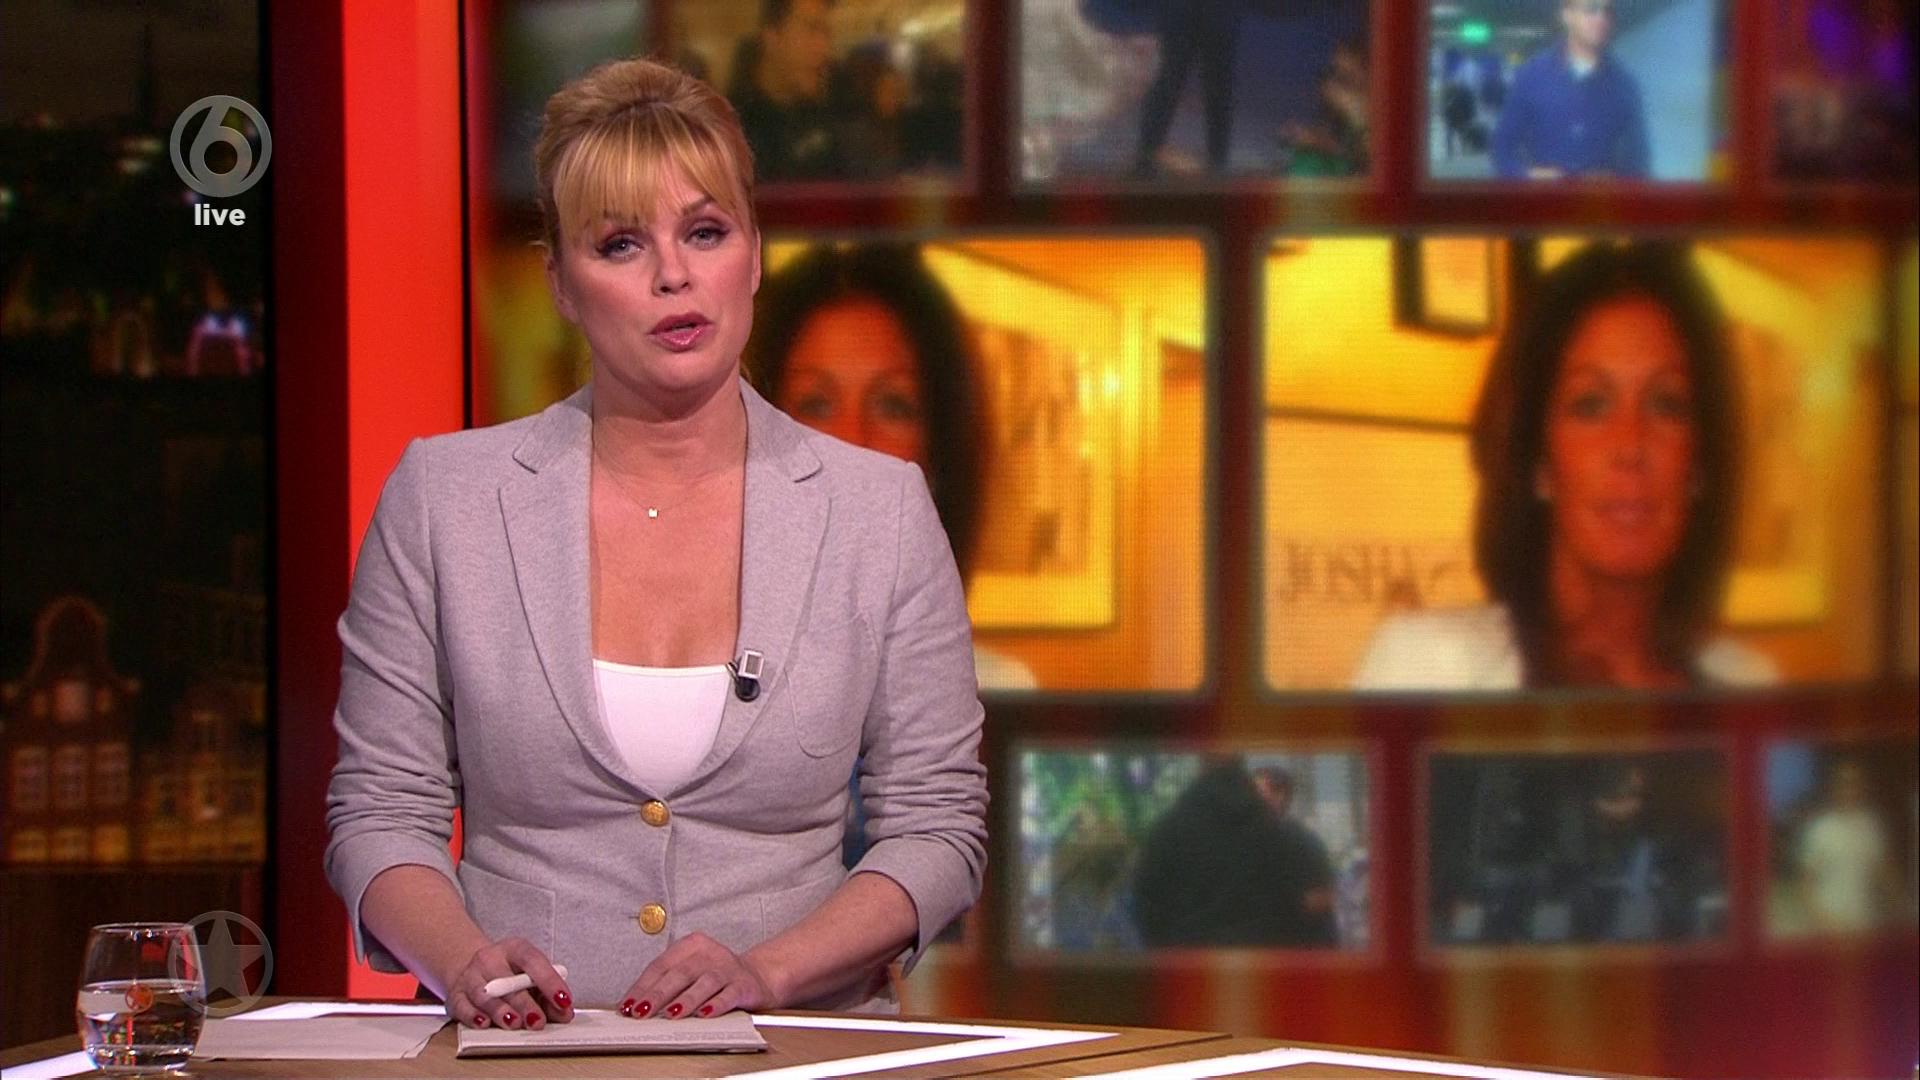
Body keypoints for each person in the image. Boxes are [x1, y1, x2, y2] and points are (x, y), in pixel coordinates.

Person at [324, 58, 988, 1032]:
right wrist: (463, 960)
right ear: (561, 284)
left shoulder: (878, 511)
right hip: (524, 1055)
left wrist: (766, 972)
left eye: (705, 233)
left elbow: (938, 828)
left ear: (753, 257)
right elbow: (380, 811)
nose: (673, 275)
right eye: (621, 243)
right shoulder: (444, 499)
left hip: (793, 1048)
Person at [1352, 242, 1779, 690]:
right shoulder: (1430, 668)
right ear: (1539, 459)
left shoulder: (1750, 683)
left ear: (1700, 462)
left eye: (1666, 404)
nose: (1630, 446)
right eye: (1591, 406)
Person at [749, 242, 1038, 693]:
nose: (852, 439)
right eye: (816, 405)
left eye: (892, 406)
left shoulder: (994, 691)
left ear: (937, 452)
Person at [1131, 760, 1338, 947]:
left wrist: (1279, 907)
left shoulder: (1299, 841)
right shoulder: (1232, 839)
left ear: (1280, 797)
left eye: (1258, 792)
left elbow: (1322, 897)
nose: (1246, 799)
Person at [1491, 0, 1650, 180]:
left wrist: (1614, 181)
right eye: (1591, 9)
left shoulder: (1624, 85)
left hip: (1599, 197)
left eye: (1607, 11)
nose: (1601, 18)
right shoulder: (1530, 76)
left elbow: (1639, 162)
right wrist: (1528, 176)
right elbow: (1502, 149)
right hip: (1542, 196)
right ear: (1567, 15)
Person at [727, 0, 844, 181]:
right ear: (772, 38)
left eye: (826, 33)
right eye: (811, 30)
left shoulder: (824, 115)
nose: (823, 49)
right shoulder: (729, 130)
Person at [1132, 0, 1246, 177]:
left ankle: (1217, 161)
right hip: (1184, 11)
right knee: (1168, 81)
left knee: (1217, 87)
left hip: (1215, 12)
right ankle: (1145, 156)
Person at [1794, 759, 1899, 934]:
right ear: (1834, 788)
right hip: (1830, 922)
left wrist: (1898, 904)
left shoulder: (1872, 825)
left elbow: (1883, 870)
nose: (1850, 789)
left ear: (1862, 787)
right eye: (1844, 784)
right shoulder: (1819, 829)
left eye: (1855, 783)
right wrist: (1825, 921)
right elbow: (1806, 884)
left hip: (1865, 919)